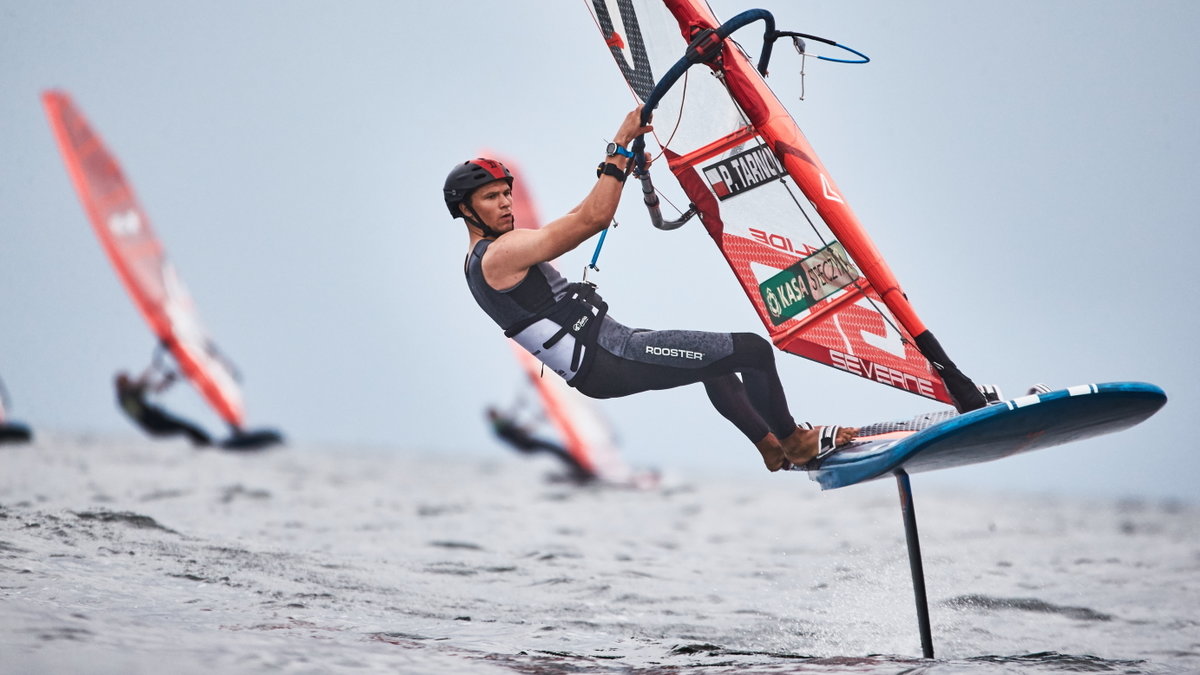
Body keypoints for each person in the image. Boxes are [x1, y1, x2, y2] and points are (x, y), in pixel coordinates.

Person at [447, 106, 856, 472]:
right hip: (611, 357)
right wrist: (620, 143)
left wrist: (618, 170)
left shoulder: (487, 257)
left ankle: (770, 448)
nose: (504, 204)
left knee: (716, 364)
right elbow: (592, 220)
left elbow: (579, 215)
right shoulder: (499, 256)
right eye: (490, 197)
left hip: (609, 351)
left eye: (505, 194)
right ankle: (795, 442)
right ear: (466, 209)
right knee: (753, 350)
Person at [486, 406, 596, 483]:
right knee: (554, 449)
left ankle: (577, 468)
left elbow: (515, 425)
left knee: (555, 449)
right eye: (497, 413)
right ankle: (580, 469)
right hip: (527, 445)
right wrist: (539, 418)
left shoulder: (500, 426)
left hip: (526, 445)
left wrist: (537, 419)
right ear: (493, 416)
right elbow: (519, 430)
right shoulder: (501, 427)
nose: (499, 414)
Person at [114, 366, 212, 447]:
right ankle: (208, 445)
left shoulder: (132, 391)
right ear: (121, 386)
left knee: (188, 427)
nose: (131, 381)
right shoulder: (124, 398)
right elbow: (139, 384)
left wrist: (168, 379)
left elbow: (157, 388)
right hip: (154, 425)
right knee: (186, 428)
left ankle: (206, 443)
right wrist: (152, 368)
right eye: (127, 381)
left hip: (158, 420)